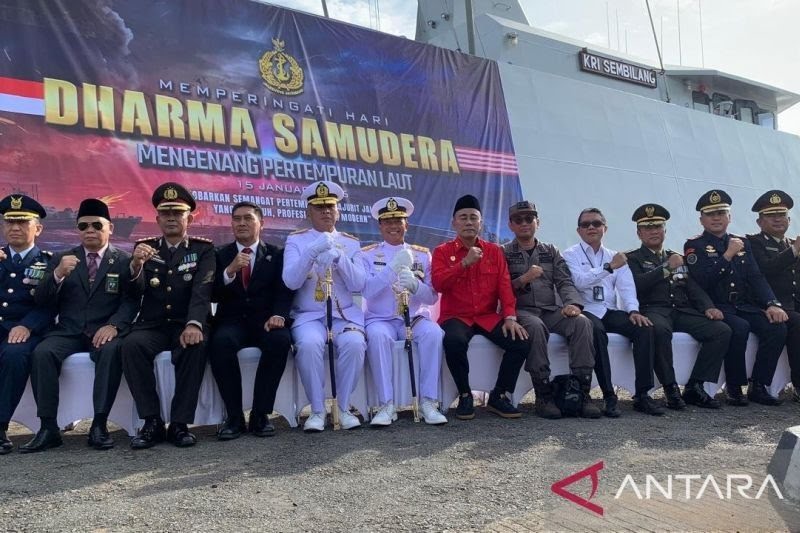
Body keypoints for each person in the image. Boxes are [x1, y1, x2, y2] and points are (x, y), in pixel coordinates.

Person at [22, 199, 138, 453]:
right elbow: (41, 300)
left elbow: (130, 301)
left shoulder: (123, 260)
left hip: (104, 330)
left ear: (110, 228)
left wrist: (114, 326)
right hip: (69, 330)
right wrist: (57, 275)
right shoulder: (62, 258)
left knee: (111, 351)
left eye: (97, 225)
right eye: (83, 226)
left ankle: (99, 424)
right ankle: (48, 428)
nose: (90, 230)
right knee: (42, 353)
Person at [121, 182, 215, 448]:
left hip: (186, 322)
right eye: (165, 213)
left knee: (195, 346)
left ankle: (179, 423)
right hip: (153, 324)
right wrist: (136, 265)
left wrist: (195, 323)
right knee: (131, 346)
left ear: (189, 218)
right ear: (157, 219)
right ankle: (151, 421)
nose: (171, 218)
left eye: (177, 213)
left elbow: (202, 289)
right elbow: (133, 293)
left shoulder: (203, 249)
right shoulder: (144, 247)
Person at [431, 194, 530, 420]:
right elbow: (438, 284)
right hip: (456, 316)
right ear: (454, 223)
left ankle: (499, 395)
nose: (468, 222)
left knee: (521, 342)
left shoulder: (494, 251)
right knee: (454, 341)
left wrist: (510, 317)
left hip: (486, 316)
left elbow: (505, 285)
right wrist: (464, 263)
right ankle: (465, 395)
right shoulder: (442, 251)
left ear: (480, 223)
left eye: (473, 218)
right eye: (463, 217)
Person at [684, 189, 787, 406]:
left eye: (721, 213)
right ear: (702, 220)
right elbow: (703, 281)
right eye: (711, 214)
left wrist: (772, 303)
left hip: (742, 304)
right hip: (717, 305)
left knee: (776, 327)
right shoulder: (695, 245)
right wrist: (727, 255)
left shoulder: (742, 242)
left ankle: (759, 385)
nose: (716, 218)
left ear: (729, 217)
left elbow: (755, 276)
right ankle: (734, 386)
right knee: (739, 328)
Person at [501, 201, 600, 419]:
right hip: (522, 311)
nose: (524, 223)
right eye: (518, 219)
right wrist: (523, 279)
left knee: (582, 322)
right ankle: (543, 394)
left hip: (551, 310)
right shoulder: (503, 252)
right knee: (535, 328)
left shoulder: (550, 251)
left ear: (538, 222)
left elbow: (564, 281)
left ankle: (582, 392)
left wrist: (573, 304)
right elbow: (499, 289)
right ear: (511, 225)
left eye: (529, 218)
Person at [626, 203, 730, 410]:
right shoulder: (632, 258)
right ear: (639, 233)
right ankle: (670, 387)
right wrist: (666, 268)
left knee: (721, 331)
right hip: (654, 309)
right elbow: (637, 285)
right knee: (659, 331)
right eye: (647, 228)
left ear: (665, 230)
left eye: (658, 227)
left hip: (681, 310)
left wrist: (708, 307)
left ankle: (695, 386)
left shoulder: (675, 256)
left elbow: (692, 286)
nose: (654, 231)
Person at [282, 181, 367, 432]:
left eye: (330, 206)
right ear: (309, 212)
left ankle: (343, 407)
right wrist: (311, 253)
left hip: (343, 314)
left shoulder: (350, 242)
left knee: (354, 344)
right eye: (319, 207)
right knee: (309, 345)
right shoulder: (297, 240)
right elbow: (290, 281)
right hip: (309, 315)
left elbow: (359, 284)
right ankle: (317, 410)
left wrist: (340, 258)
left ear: (338, 211)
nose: (326, 211)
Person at [563, 207, 664, 417]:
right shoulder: (570, 254)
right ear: (579, 230)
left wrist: (633, 311)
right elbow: (579, 282)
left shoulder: (614, 256)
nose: (591, 227)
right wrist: (608, 268)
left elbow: (627, 288)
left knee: (644, 328)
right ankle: (609, 395)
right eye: (586, 224)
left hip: (609, 310)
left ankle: (642, 394)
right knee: (596, 332)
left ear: (605, 228)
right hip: (585, 309)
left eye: (596, 223)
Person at [210, 201, 294, 439]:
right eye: (237, 219)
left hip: (265, 321)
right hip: (232, 321)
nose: (242, 223)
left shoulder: (277, 254)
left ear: (261, 223)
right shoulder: (219, 254)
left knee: (280, 341)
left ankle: (260, 414)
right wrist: (229, 272)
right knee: (220, 343)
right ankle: (234, 417)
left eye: (248, 218)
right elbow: (210, 293)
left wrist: (278, 315)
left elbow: (285, 290)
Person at [361, 196, 447, 426]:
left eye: (398, 221)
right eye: (387, 221)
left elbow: (432, 296)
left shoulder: (422, 255)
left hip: (414, 317)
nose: (393, 226)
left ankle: (429, 401)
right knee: (377, 337)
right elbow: (367, 291)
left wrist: (416, 286)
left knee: (434, 334)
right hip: (381, 319)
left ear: (406, 224)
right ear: (380, 226)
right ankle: (386, 404)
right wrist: (392, 269)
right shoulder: (367, 254)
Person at [0, 195, 52, 455]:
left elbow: (52, 305)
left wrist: (28, 325)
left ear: (38, 229)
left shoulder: (49, 261)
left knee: (14, 355)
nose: (15, 228)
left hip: (25, 330)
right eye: (10, 222)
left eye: (22, 222)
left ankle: (0, 426)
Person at [746, 190, 800, 402]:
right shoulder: (753, 243)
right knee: (792, 324)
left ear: (789, 219)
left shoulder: (789, 244)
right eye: (771, 215)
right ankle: (790, 384)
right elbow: (765, 269)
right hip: (766, 305)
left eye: (781, 214)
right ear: (759, 222)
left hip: (791, 304)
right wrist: (794, 251)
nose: (777, 219)